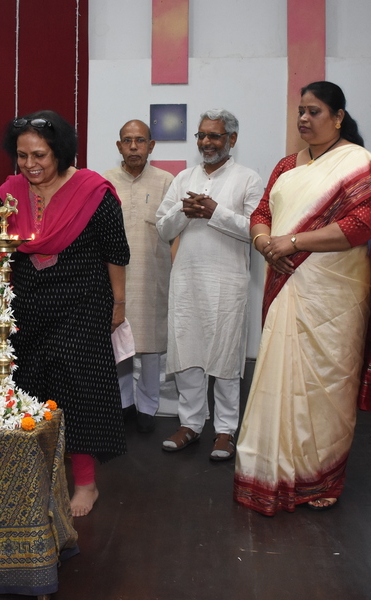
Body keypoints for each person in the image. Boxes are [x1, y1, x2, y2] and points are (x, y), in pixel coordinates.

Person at [234, 81, 371, 514]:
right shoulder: (288, 165)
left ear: (339, 116)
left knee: (327, 385)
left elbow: (361, 226)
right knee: (279, 377)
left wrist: (292, 242)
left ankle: (319, 478)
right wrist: (265, 242)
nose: (304, 119)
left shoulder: (360, 165)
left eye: (315, 111)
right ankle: (267, 472)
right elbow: (262, 212)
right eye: (301, 111)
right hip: (287, 283)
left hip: (334, 293)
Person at [0, 110, 129, 517]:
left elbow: (116, 253)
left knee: (78, 393)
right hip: (29, 305)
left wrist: (118, 304)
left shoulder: (94, 192)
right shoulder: (11, 192)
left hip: (83, 304)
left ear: (60, 152)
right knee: (31, 391)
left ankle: (85, 484)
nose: (30, 165)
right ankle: (38, 477)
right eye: (22, 155)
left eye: (40, 155)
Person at [155, 109, 264, 461]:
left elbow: (255, 229)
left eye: (214, 136)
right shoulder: (183, 177)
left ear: (232, 139)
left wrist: (214, 211)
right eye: (201, 135)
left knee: (226, 356)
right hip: (187, 279)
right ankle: (190, 423)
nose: (206, 142)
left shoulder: (248, 179)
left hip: (227, 283)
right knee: (187, 350)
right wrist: (184, 211)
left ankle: (225, 430)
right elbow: (163, 227)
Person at [102, 120, 174, 433]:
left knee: (150, 346)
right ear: (119, 146)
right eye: (128, 141)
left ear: (151, 145)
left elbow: (175, 232)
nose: (134, 147)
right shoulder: (103, 181)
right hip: (112, 278)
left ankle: (148, 407)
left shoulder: (166, 181)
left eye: (140, 141)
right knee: (118, 343)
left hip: (152, 275)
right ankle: (122, 404)